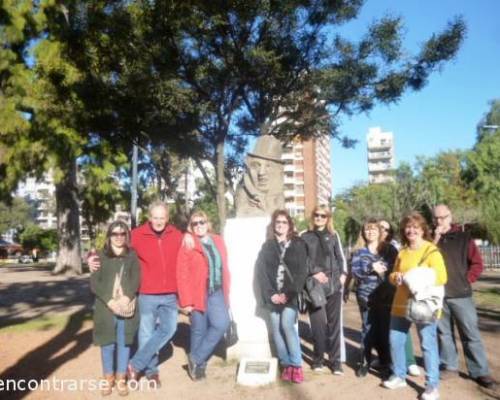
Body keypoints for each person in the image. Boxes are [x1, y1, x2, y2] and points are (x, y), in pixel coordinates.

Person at [89, 201, 183, 387]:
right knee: (146, 334)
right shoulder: (137, 234)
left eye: (162, 218)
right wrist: (91, 257)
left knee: (169, 329)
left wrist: (191, 238)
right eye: (155, 217)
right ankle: (151, 371)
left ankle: (135, 364)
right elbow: (114, 246)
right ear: (149, 217)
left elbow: (193, 246)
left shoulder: (177, 235)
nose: (158, 221)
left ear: (167, 218)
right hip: (147, 293)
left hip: (171, 293)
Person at [383, 212, 447, 400]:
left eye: (415, 227)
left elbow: (442, 277)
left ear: (422, 230)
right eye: (408, 227)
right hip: (400, 304)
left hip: (423, 305)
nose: (411, 230)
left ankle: (432, 386)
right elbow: (393, 274)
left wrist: (417, 276)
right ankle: (399, 375)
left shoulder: (431, 251)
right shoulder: (402, 251)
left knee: (428, 345)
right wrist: (396, 277)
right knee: (395, 341)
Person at [433, 204, 496, 389]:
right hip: (438, 295)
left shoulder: (464, 238)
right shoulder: (430, 239)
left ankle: (479, 371)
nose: (439, 221)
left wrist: (466, 280)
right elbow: (424, 258)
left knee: (470, 334)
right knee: (443, 334)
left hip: (461, 295)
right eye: (436, 218)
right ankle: (449, 366)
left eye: (443, 217)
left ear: (450, 216)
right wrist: (436, 237)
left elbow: (477, 264)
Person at [177, 211, 231, 381]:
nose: (199, 226)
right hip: (196, 293)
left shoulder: (218, 240)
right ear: (190, 227)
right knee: (198, 330)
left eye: (202, 222)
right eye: (195, 223)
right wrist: (185, 302)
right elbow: (181, 273)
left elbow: (224, 266)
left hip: (216, 291)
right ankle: (198, 368)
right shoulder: (188, 242)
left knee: (221, 324)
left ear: (208, 223)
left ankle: (195, 358)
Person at [256, 209, 308, 383]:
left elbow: (302, 272)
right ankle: (286, 365)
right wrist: (271, 295)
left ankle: (297, 365)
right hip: (272, 296)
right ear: (273, 225)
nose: (281, 225)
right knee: (276, 329)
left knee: (287, 325)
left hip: (290, 295)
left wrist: (287, 294)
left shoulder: (298, 243)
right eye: (277, 222)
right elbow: (261, 273)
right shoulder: (267, 246)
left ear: (289, 224)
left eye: (284, 222)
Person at [90, 221, 141, 396]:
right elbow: (95, 283)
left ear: (127, 235)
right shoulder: (99, 255)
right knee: (107, 344)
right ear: (109, 236)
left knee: (124, 343)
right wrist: (109, 301)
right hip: (106, 308)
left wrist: (127, 296)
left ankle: (121, 379)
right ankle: (108, 378)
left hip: (126, 306)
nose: (119, 237)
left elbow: (136, 278)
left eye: (122, 234)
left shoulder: (132, 255)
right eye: (115, 234)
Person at [301, 205, 347, 375]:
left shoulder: (334, 236)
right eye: (317, 215)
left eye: (323, 215)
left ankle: (335, 362)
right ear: (312, 217)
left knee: (334, 326)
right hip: (315, 287)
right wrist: (313, 274)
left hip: (334, 285)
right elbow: (301, 261)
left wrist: (342, 277)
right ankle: (318, 359)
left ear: (328, 218)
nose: (319, 218)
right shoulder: (304, 237)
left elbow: (341, 258)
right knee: (318, 325)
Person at [351, 219, 398, 378]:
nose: (370, 232)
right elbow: (356, 272)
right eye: (366, 230)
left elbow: (396, 268)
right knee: (367, 329)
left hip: (386, 295)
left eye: (373, 229)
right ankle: (364, 362)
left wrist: (384, 270)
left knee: (385, 329)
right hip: (366, 296)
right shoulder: (359, 252)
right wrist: (372, 267)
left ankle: (386, 363)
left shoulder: (389, 250)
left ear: (379, 232)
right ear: (363, 233)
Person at [379, 219, 421, 377]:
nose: (383, 231)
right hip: (376, 295)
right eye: (381, 228)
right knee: (384, 328)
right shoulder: (371, 248)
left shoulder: (395, 249)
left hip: (395, 293)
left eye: (386, 229)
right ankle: (388, 359)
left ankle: (410, 362)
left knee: (401, 328)